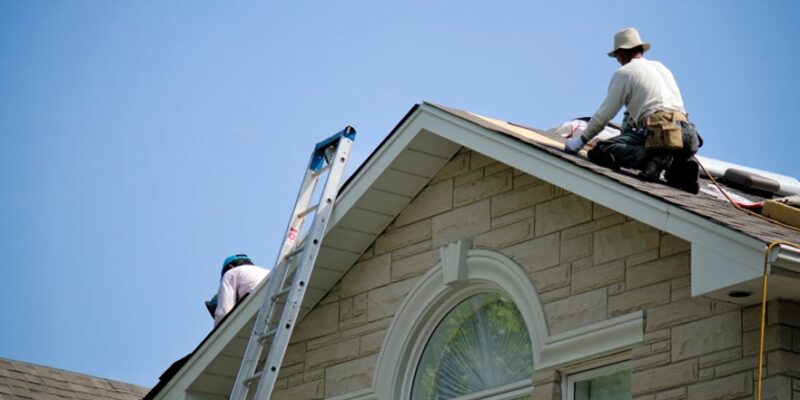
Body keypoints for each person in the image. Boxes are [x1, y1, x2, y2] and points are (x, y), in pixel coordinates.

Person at [564, 27, 702, 194]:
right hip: (687, 134)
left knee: (602, 150)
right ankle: (679, 167)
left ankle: (650, 159)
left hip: (659, 133)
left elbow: (604, 115)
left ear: (622, 53)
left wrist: (581, 141)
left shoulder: (625, 73)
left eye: (617, 56)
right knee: (672, 172)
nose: (617, 60)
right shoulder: (661, 67)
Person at [214, 254, 269, 327]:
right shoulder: (265, 270)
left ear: (230, 267)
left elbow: (224, 311)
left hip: (257, 305)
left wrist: (217, 331)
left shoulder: (230, 273)